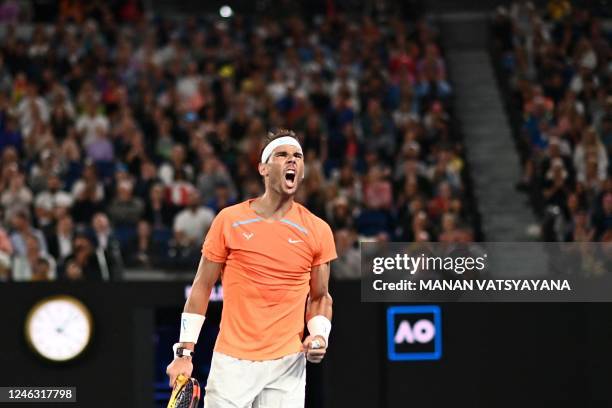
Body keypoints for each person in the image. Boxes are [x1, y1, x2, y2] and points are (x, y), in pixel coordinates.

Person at [166, 129, 337, 407]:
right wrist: (184, 353)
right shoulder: (229, 220)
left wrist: (319, 335)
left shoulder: (318, 230)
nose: (291, 161)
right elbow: (201, 287)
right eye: (282, 155)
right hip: (232, 363)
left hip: (287, 366)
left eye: (297, 156)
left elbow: (320, 297)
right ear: (263, 168)